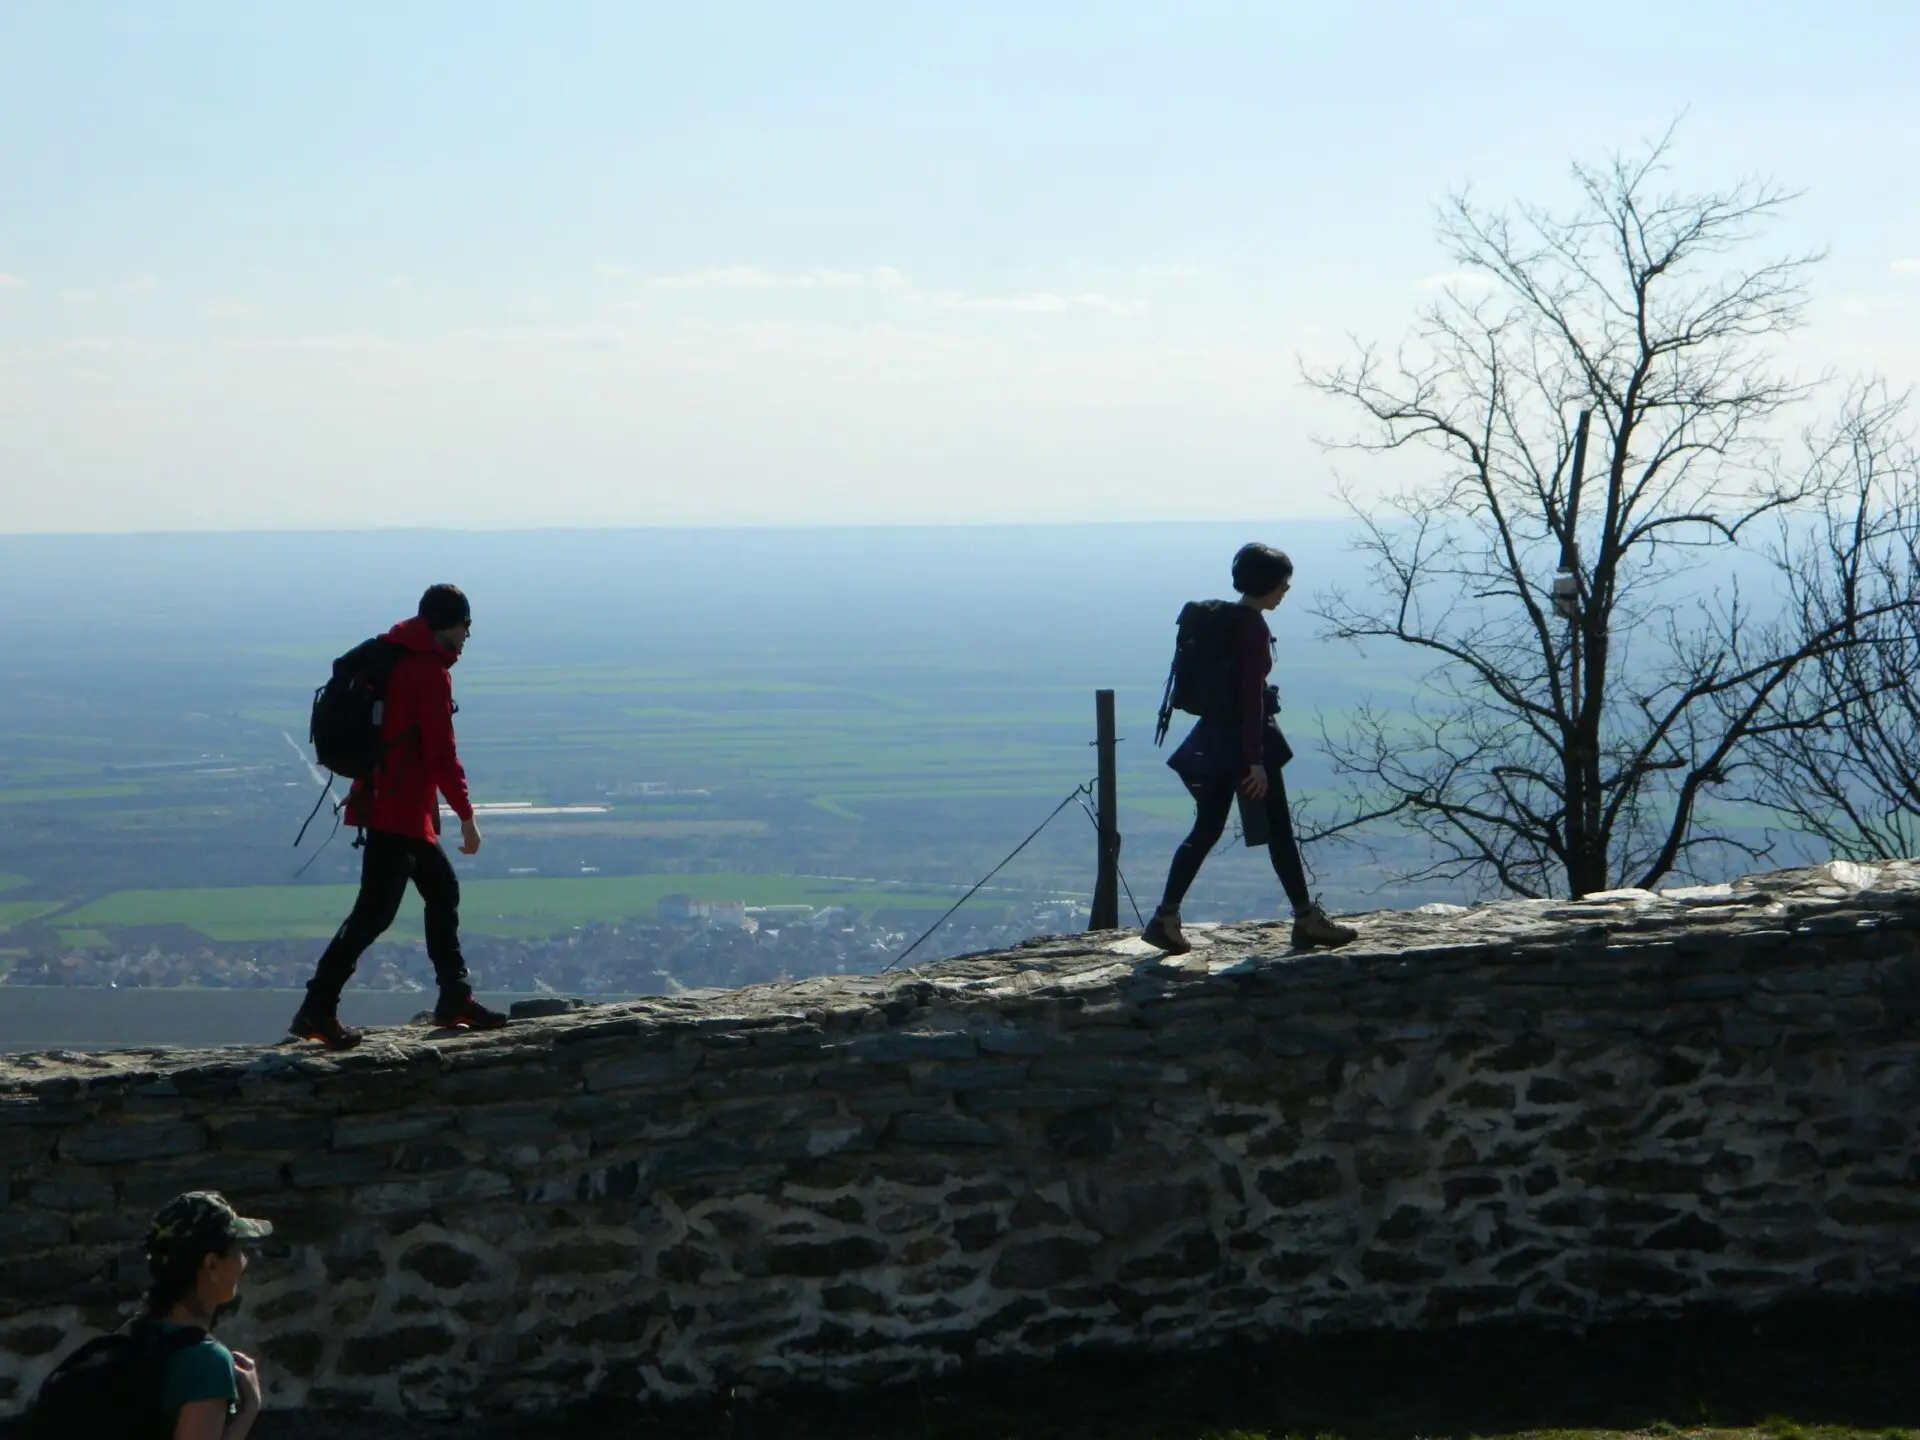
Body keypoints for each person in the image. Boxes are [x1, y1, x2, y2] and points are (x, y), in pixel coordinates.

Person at [288, 584, 507, 1049]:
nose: (468, 636)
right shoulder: (427, 670)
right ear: (450, 625)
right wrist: (467, 815)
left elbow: (390, 738)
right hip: (399, 811)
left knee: (440, 891)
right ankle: (317, 1008)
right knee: (374, 914)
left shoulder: (396, 655)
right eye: (466, 625)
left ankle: (455, 998)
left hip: (392, 803)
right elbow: (440, 752)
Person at [1142, 543, 1358, 955]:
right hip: (1245, 743)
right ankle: (1306, 920)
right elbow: (1250, 698)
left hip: (1212, 741)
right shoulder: (1252, 627)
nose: (1285, 591)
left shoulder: (1220, 620)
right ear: (1267, 583)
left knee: (1206, 830)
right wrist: (1255, 761)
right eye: (1282, 584)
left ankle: (1164, 918)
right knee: (1279, 833)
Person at [147, 1191, 269, 1440]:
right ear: (212, 1264)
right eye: (237, 1250)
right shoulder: (206, 1362)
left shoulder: (126, 1338)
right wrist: (249, 1409)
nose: (244, 1262)